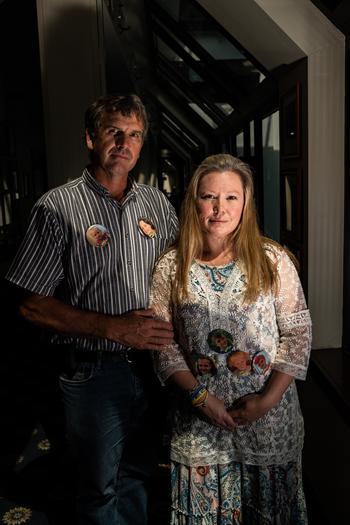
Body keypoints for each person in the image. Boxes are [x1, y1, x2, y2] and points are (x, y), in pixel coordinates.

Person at [5, 93, 178, 525]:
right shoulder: (56, 207)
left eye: (134, 134)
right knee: (99, 485)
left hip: (154, 365)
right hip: (94, 371)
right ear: (90, 138)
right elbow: (30, 306)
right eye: (113, 132)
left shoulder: (158, 205)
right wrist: (114, 328)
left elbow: (182, 275)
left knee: (139, 472)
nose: (124, 142)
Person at [150, 154, 312, 524]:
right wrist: (201, 399)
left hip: (268, 419)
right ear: (194, 202)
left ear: (246, 203)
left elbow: (298, 335)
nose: (219, 208)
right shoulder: (171, 267)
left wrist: (267, 400)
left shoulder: (273, 260)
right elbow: (163, 343)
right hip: (199, 422)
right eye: (209, 197)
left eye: (231, 198)